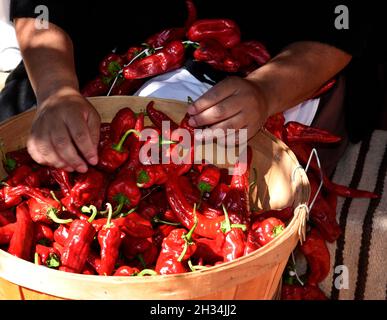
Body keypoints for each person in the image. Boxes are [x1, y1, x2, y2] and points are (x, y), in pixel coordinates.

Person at [1, 0, 383, 175]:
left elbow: (340, 26)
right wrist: (56, 92)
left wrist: (265, 92)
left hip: (275, 64)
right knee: (33, 146)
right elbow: (40, 8)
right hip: (109, 52)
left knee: (253, 176)